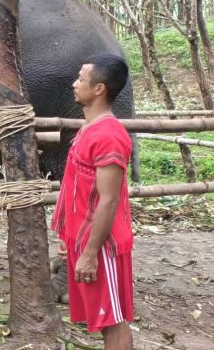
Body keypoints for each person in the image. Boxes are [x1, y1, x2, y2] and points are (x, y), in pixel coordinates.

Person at [52, 53, 134, 349]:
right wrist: (68, 236)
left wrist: (89, 252)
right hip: (86, 240)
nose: (75, 84)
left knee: (113, 322)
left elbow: (109, 200)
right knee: (104, 321)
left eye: (81, 79)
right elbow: (81, 190)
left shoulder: (109, 135)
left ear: (99, 89)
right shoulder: (89, 129)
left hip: (102, 247)